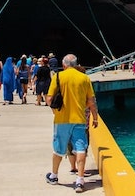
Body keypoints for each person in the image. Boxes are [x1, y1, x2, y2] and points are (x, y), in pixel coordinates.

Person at [45, 54, 98, 193]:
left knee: (58, 149)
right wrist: (85, 110)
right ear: (76, 64)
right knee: (80, 148)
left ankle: (54, 176)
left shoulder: (58, 77)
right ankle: (80, 180)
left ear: (64, 65)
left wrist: (56, 112)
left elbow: (49, 98)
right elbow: (91, 101)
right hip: (79, 119)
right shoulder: (84, 78)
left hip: (62, 120)